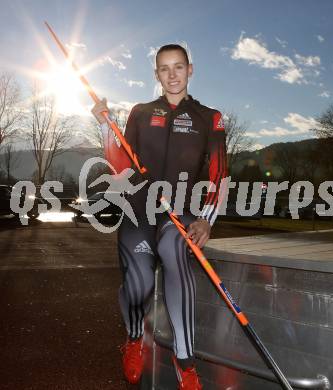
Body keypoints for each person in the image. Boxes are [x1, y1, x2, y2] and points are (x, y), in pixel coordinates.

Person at [92, 44, 227, 389]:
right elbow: (121, 164)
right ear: (156, 74)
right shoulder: (140, 112)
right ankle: (135, 338)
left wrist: (206, 218)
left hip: (180, 211)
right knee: (139, 284)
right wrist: (107, 127)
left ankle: (185, 361)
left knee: (174, 254)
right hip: (139, 209)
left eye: (178, 67)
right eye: (164, 68)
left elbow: (218, 172)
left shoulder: (208, 117)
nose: (172, 75)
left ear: (190, 70)